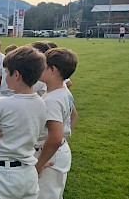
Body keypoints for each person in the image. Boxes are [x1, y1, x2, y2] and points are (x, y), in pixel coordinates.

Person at [0, 45, 47, 199]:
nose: (5, 76)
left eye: (6, 72)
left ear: (16, 75)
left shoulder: (2, 103)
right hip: (29, 173)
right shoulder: (42, 103)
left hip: (4, 174)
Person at [35, 48, 78, 199]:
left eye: (43, 66)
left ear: (53, 69)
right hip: (57, 152)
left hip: (50, 157)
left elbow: (55, 138)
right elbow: (74, 116)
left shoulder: (52, 100)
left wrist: (39, 165)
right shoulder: (63, 92)